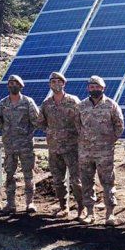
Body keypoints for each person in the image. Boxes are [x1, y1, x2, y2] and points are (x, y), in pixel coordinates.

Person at [76, 75, 124, 225]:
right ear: (88, 88)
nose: (95, 89)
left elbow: (119, 126)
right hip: (85, 152)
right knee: (86, 182)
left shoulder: (111, 105)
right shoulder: (81, 106)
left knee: (108, 182)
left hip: (105, 153)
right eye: (92, 87)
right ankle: (90, 213)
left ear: (103, 88)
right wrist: (86, 140)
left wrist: (109, 141)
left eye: (97, 87)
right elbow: (78, 125)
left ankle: (110, 214)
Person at [38, 72, 83, 218]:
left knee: (77, 180)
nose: (55, 84)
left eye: (59, 81)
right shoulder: (46, 104)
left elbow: (82, 121)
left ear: (64, 84)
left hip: (72, 148)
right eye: (52, 82)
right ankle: (64, 207)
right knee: (58, 180)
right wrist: (51, 132)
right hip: (54, 148)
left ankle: (81, 209)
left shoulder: (73, 101)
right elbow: (41, 122)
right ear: (49, 85)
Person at [0, 75, 41, 214]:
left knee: (28, 175)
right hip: (9, 145)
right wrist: (6, 130)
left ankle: (30, 203)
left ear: (21, 86)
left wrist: (27, 134)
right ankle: (10, 204)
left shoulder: (28, 102)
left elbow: (36, 121)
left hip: (26, 145)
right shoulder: (3, 103)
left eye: (16, 83)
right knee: (9, 175)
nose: (12, 85)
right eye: (10, 83)